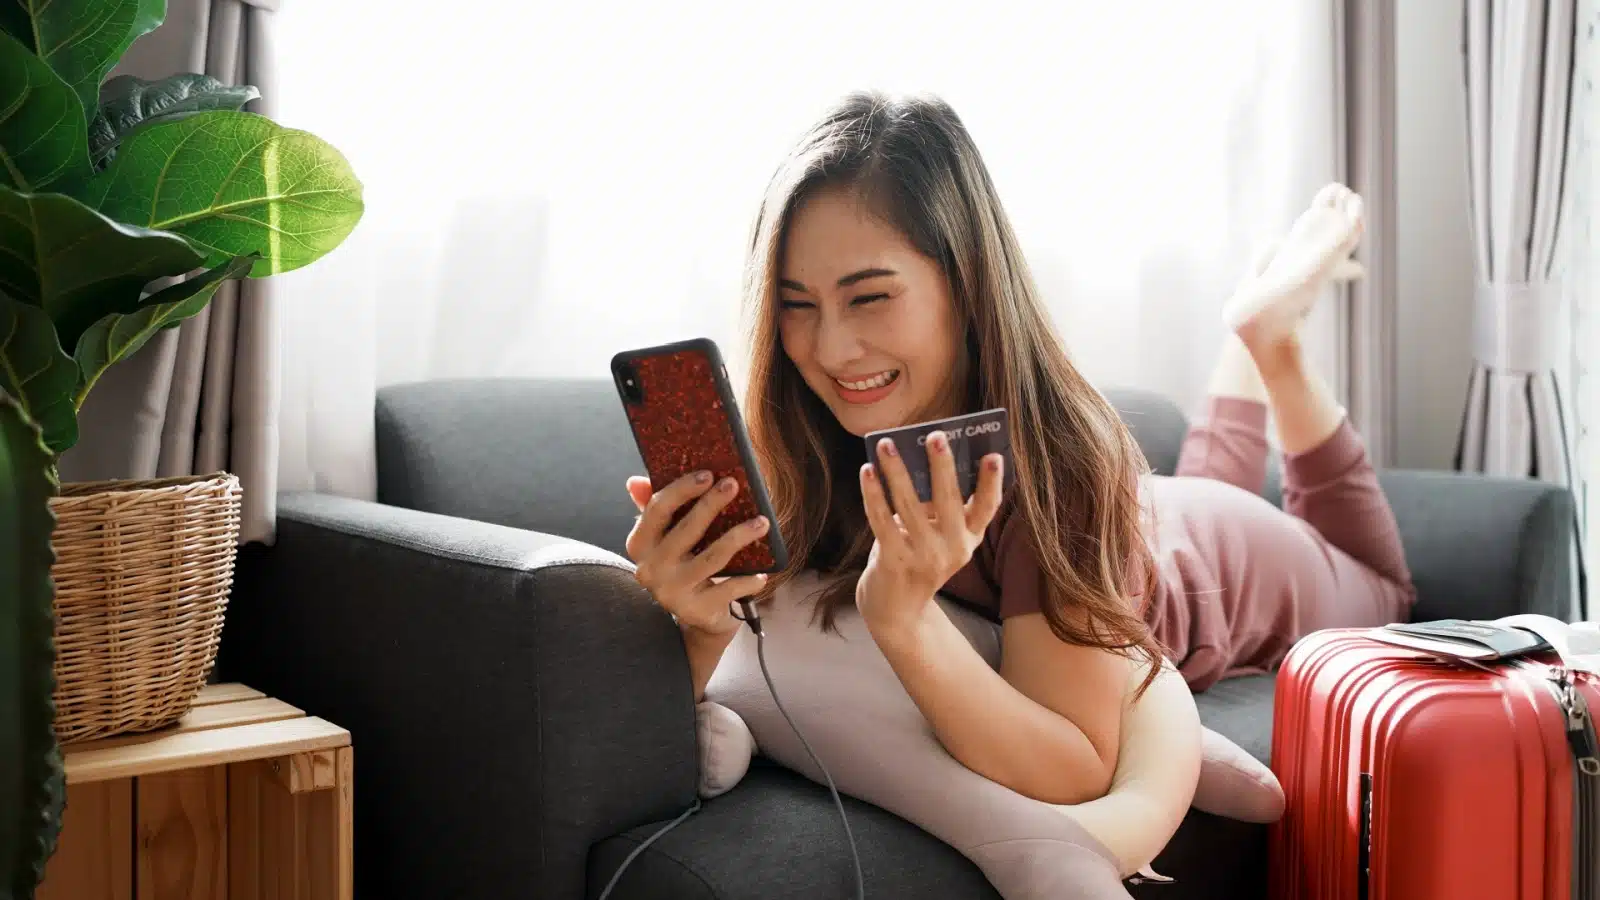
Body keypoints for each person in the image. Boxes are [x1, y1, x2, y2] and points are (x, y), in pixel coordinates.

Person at [621, 92, 1415, 807]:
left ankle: (1271, 341)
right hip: (1159, 518)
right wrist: (697, 629)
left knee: (1383, 588)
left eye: (870, 297)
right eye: (797, 306)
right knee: (1208, 476)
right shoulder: (799, 449)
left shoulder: (1055, 472)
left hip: (1233, 564)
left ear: (966, 282)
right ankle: (1254, 336)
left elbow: (1077, 767)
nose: (829, 349)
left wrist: (902, 619)